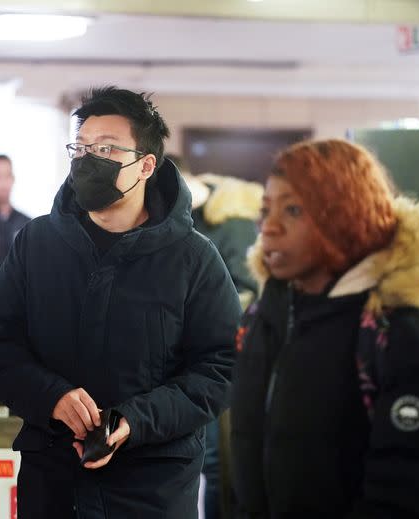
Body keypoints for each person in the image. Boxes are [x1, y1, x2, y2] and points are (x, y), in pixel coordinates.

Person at [0, 87, 241, 519]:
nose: (87, 160)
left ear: (146, 165)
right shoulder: (38, 244)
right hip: (52, 479)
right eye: (79, 148)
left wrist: (136, 419)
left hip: (152, 486)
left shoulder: (192, 258)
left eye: (105, 149)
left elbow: (222, 366)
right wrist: (51, 396)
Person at [230, 139, 419, 518]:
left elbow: (411, 491)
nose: (269, 228)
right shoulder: (264, 317)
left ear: (342, 215)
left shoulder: (398, 333)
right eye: (266, 209)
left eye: (293, 210)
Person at [175, 155, 262, 519]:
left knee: (216, 460)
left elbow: (247, 290)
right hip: (182, 355)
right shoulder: (182, 216)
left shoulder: (231, 220)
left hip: (218, 356)